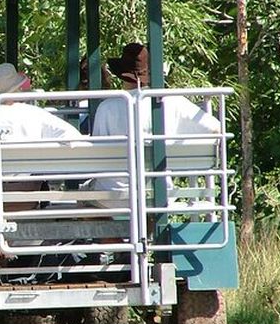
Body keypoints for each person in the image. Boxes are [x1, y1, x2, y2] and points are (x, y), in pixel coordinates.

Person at [82, 43, 221, 207]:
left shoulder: (106, 107)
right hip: (161, 193)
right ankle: (147, 229)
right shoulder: (172, 102)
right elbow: (215, 128)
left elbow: (98, 151)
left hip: (114, 195)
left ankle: (117, 233)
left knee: (83, 197)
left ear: (121, 74)